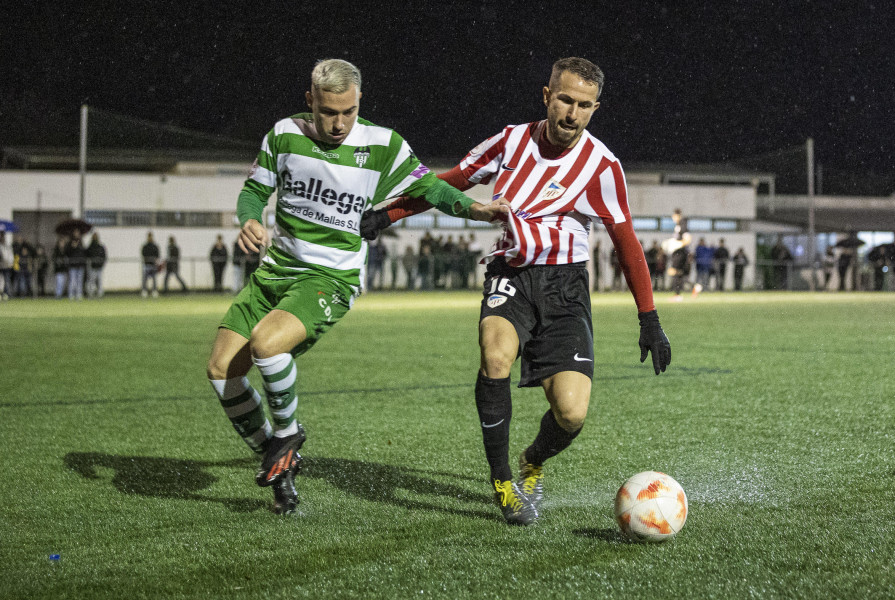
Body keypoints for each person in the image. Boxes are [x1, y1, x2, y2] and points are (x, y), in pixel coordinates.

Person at [362, 57, 671, 525]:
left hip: (566, 287)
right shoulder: (509, 142)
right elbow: (447, 184)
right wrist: (390, 214)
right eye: (565, 99)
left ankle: (533, 461)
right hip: (510, 273)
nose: (572, 113)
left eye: (584, 105)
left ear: (595, 109)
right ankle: (503, 481)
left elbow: (626, 242)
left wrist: (649, 318)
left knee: (570, 414)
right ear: (547, 95)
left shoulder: (602, 166)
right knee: (496, 356)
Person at [204, 59, 508, 516]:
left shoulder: (383, 145)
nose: (339, 123)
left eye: (347, 111)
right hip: (275, 273)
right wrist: (248, 218)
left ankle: (286, 435)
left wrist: (475, 209)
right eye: (328, 112)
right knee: (221, 370)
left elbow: (430, 189)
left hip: (330, 277)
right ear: (310, 101)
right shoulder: (284, 134)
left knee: (268, 345)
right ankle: (281, 465)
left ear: (359, 101)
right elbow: (254, 190)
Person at [667, 209, 692, 301]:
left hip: (680, 253)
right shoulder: (678, 226)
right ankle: (694, 287)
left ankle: (677, 294)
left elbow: (688, 239)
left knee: (674, 271)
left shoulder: (683, 224)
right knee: (680, 273)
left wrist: (677, 244)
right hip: (678, 252)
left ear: (677, 215)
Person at [66, 231, 87, 300]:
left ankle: (79, 294)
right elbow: (67, 253)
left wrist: (79, 247)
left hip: (80, 264)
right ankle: (71, 294)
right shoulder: (70, 243)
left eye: (78, 232)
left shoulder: (81, 243)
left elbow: (84, 253)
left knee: (79, 281)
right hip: (72, 264)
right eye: (75, 232)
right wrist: (72, 247)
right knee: (72, 280)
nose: (76, 234)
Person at [85, 232, 107, 298]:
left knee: (99, 281)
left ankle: (99, 294)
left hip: (99, 267)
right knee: (91, 281)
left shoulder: (100, 247)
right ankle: (91, 293)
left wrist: (101, 263)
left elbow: (104, 256)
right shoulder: (90, 247)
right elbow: (87, 255)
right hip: (92, 267)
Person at [141, 232, 160, 298]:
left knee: (154, 279)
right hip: (146, 265)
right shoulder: (145, 246)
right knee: (145, 279)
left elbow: (157, 255)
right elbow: (143, 254)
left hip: (153, 265)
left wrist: (155, 260)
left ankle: (154, 291)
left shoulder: (155, 246)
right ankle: (144, 291)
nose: (150, 238)